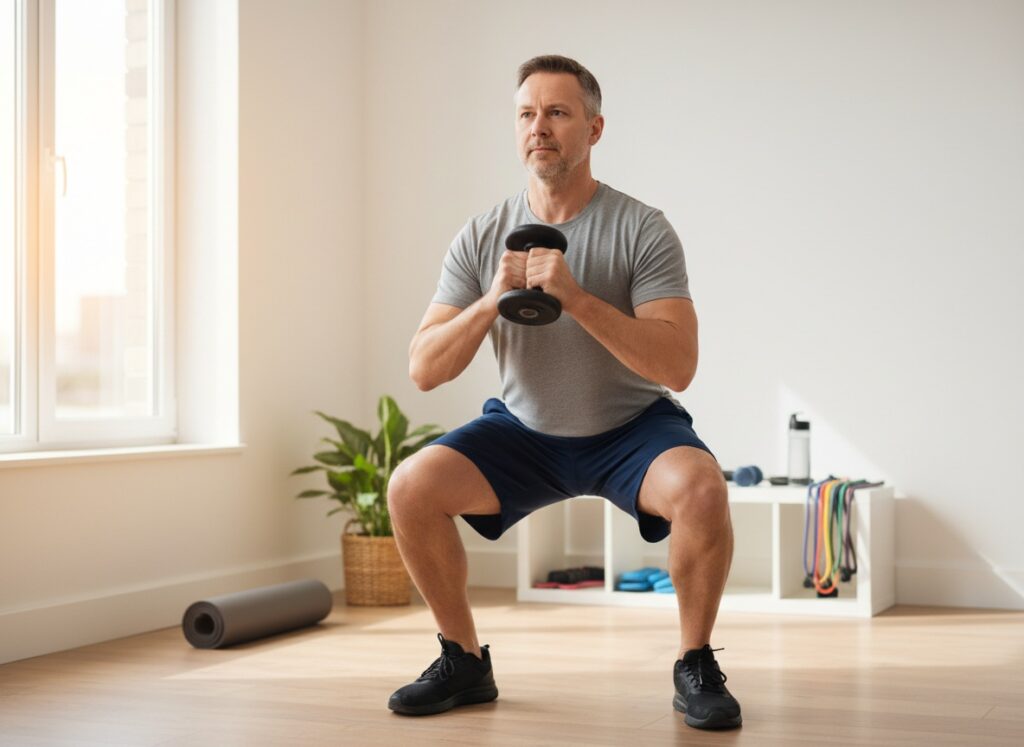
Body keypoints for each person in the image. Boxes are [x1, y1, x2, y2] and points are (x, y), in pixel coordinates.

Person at [385, 55, 742, 731]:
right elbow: (425, 367)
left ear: (594, 128)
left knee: (701, 486)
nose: (538, 127)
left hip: (631, 427)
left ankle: (695, 661)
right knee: (411, 486)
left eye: (557, 112)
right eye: (526, 113)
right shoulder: (482, 234)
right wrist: (492, 298)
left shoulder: (642, 227)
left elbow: (680, 363)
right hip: (523, 430)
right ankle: (463, 660)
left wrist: (575, 297)